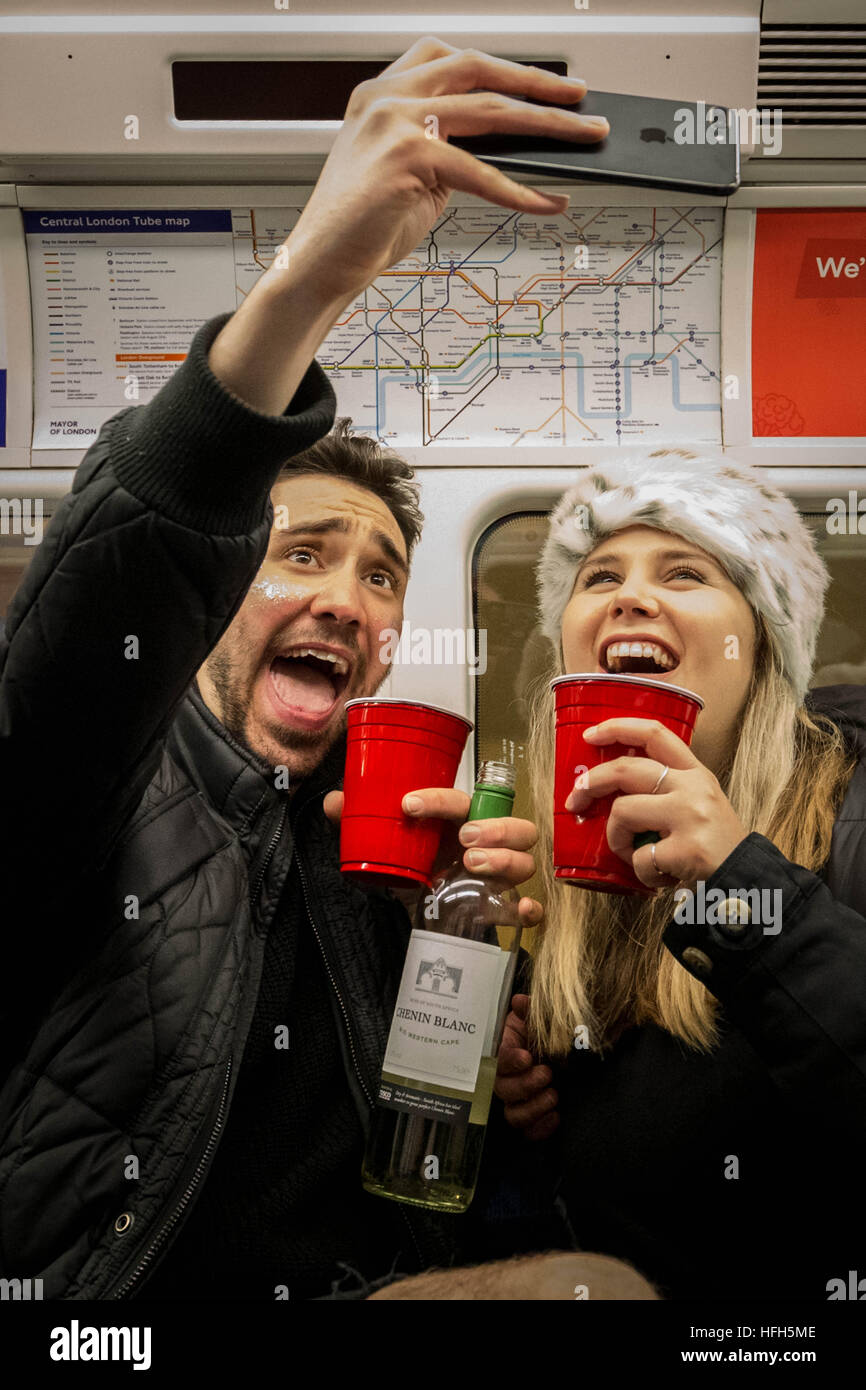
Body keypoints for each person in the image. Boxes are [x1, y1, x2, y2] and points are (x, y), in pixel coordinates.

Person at [0, 38, 618, 1301]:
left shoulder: (362, 836)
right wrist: (314, 277)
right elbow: (113, 592)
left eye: (382, 573)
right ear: (219, 586)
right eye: (305, 553)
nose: (347, 594)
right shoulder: (100, 773)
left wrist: (456, 984)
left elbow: (411, 1153)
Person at [493, 447, 866, 1302]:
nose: (629, 595)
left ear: (760, 644)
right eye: (600, 575)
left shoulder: (853, 815)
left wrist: (745, 884)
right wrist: (522, 1091)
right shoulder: (553, 867)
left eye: (685, 571)